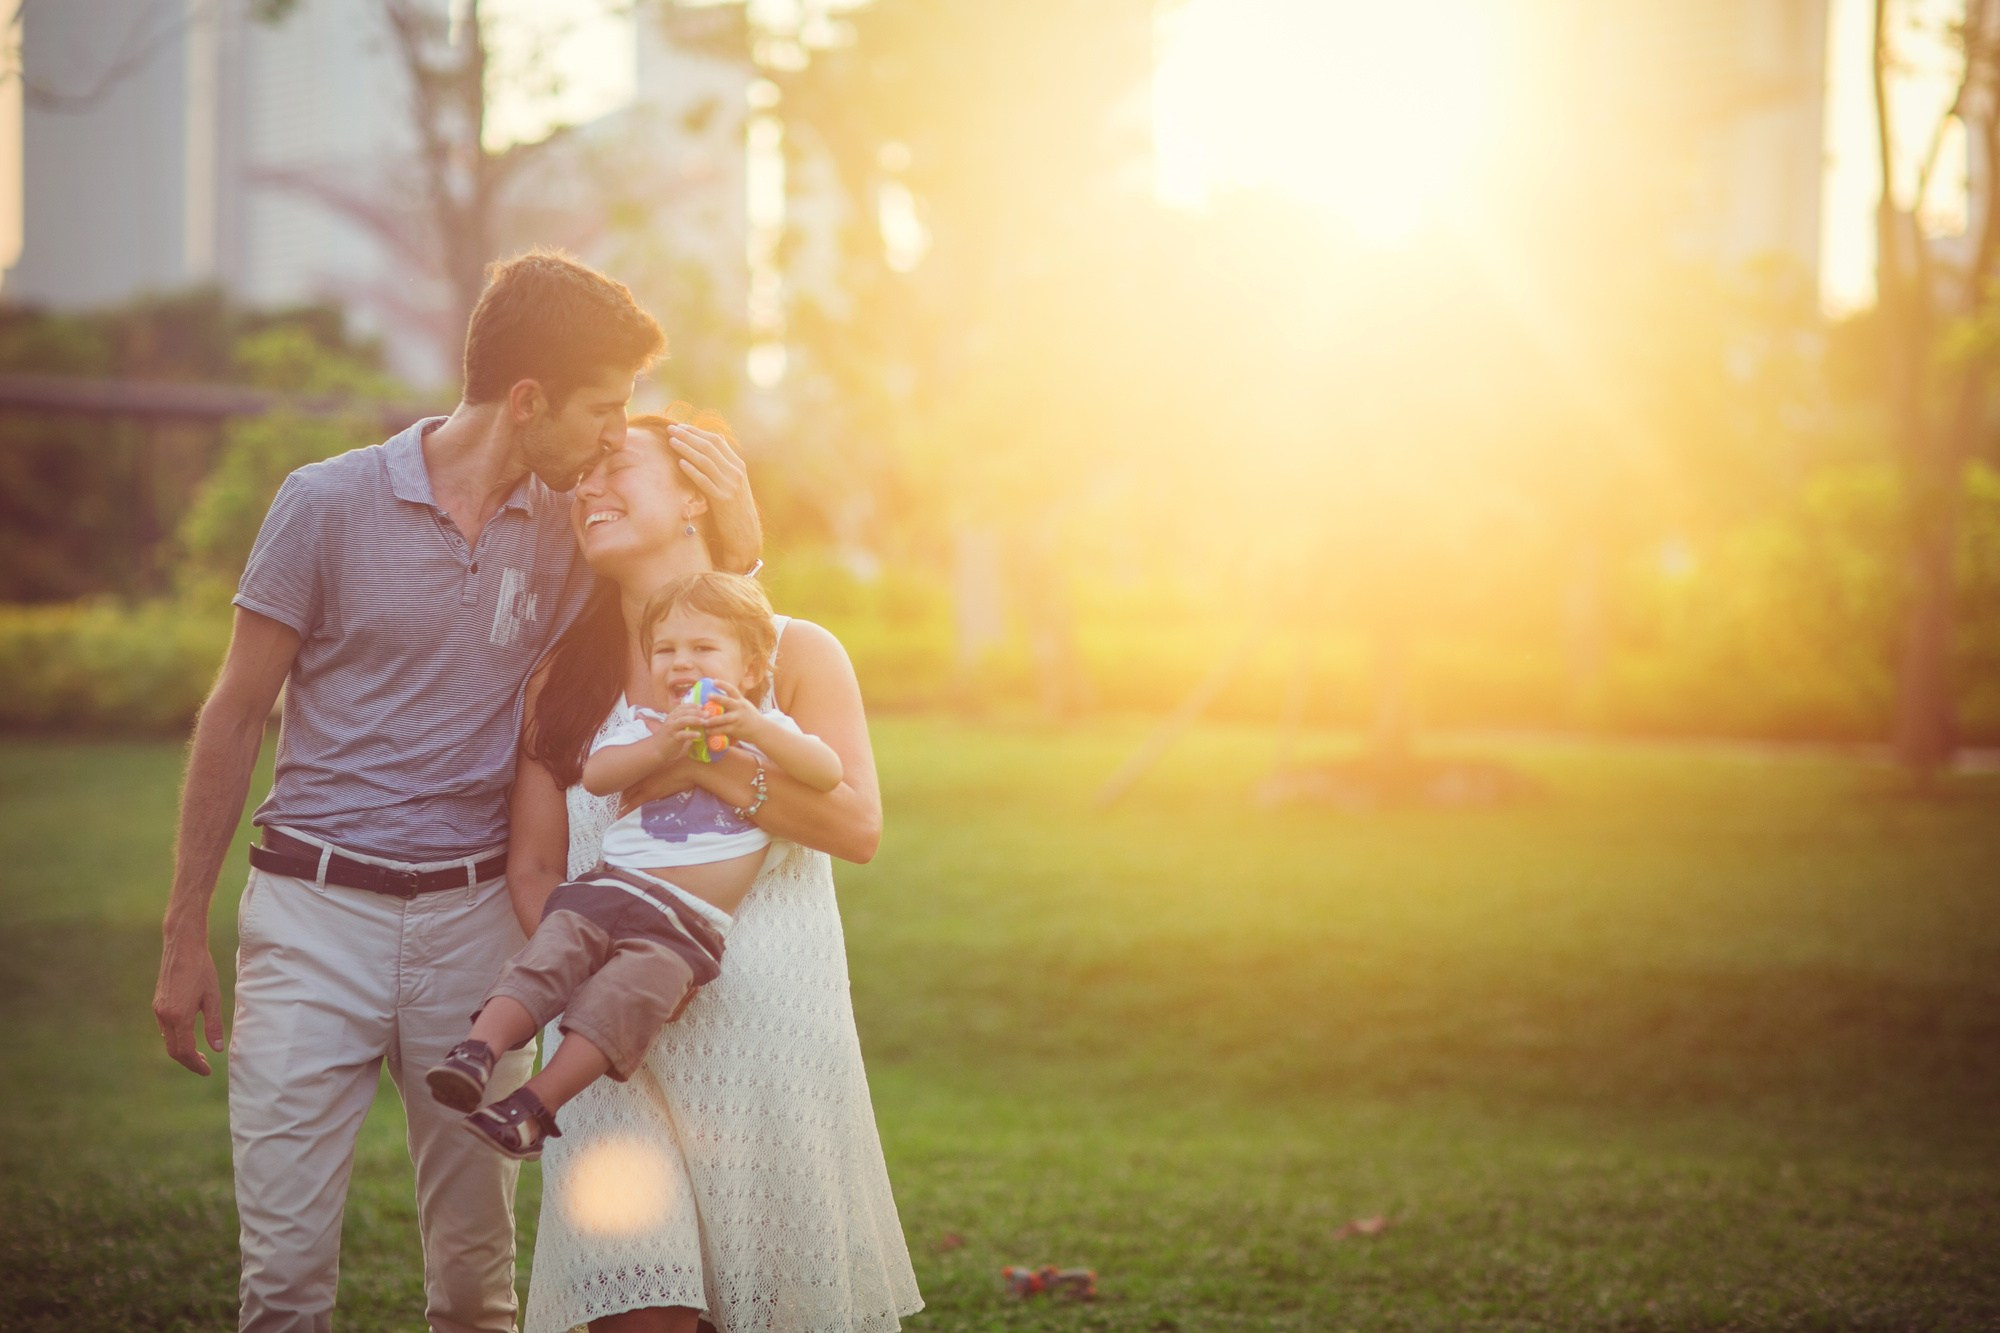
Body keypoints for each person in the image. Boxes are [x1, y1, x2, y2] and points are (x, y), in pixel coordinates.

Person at [149, 251, 763, 1333]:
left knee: (476, 1287)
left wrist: (741, 530)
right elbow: (234, 712)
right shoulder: (325, 503)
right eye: (602, 410)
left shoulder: (572, 531)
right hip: (310, 914)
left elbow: (696, 614)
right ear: (526, 401)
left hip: (477, 931)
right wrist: (182, 931)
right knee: (284, 1283)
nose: (616, 436)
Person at [509, 412, 923, 1333]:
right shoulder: (560, 682)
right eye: (580, 478)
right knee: (635, 1308)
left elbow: (856, 826)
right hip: (608, 1052)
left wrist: (698, 764)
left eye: (616, 465)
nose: (588, 488)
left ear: (695, 493)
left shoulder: (794, 653)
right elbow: (536, 865)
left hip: (766, 1038)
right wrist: (593, 980)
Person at [426, 572, 843, 1159]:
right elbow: (599, 776)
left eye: (703, 648)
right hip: (610, 891)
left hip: (685, 928)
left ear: (750, 671)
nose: (681, 662)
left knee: (617, 1006)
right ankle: (477, 1050)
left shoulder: (770, 732)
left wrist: (751, 727)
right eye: (665, 650)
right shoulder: (645, 725)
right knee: (549, 956)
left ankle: (533, 1107)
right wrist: (665, 745)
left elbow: (827, 772)